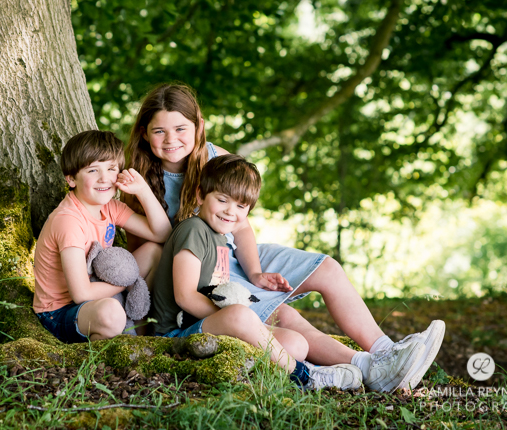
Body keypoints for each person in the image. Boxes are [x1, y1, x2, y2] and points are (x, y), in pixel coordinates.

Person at [125, 83, 444, 391]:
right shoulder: (138, 178)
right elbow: (148, 254)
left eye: (181, 128)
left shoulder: (214, 158)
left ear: (199, 126)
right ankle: (360, 368)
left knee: (327, 269)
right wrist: (140, 327)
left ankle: (386, 354)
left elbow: (241, 224)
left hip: (234, 255)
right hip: (199, 275)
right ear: (145, 132)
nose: (171, 139)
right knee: (289, 323)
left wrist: (255, 273)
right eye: (159, 131)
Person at [152, 154, 379, 391]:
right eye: (222, 200)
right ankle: (306, 376)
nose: (230, 211)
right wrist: (237, 320)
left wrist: (247, 325)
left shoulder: (221, 238)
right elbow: (185, 296)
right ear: (200, 194)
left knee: (297, 344)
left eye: (241, 206)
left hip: (211, 326)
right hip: (176, 333)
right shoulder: (193, 229)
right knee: (240, 316)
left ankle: (304, 364)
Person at [33, 130, 171, 343]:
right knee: (111, 313)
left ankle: (141, 335)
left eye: (111, 168)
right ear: (71, 179)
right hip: (61, 311)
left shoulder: (111, 207)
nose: (104, 178)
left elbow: (162, 234)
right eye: (92, 170)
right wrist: (127, 281)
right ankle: (102, 355)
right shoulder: (69, 220)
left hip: (99, 292)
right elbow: (80, 294)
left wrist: (143, 190)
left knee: (155, 252)